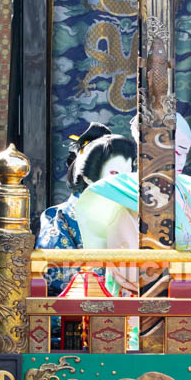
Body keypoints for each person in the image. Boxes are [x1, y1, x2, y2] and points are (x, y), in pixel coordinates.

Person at [74, 113, 191, 346]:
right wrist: (182, 277)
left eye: (184, 151)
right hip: (146, 300)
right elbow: (126, 267)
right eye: (174, 151)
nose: (180, 159)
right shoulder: (128, 196)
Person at [36, 124, 136, 294]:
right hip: (80, 301)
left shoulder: (129, 213)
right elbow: (54, 275)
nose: (122, 181)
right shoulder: (60, 217)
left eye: (127, 175)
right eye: (115, 173)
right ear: (88, 176)